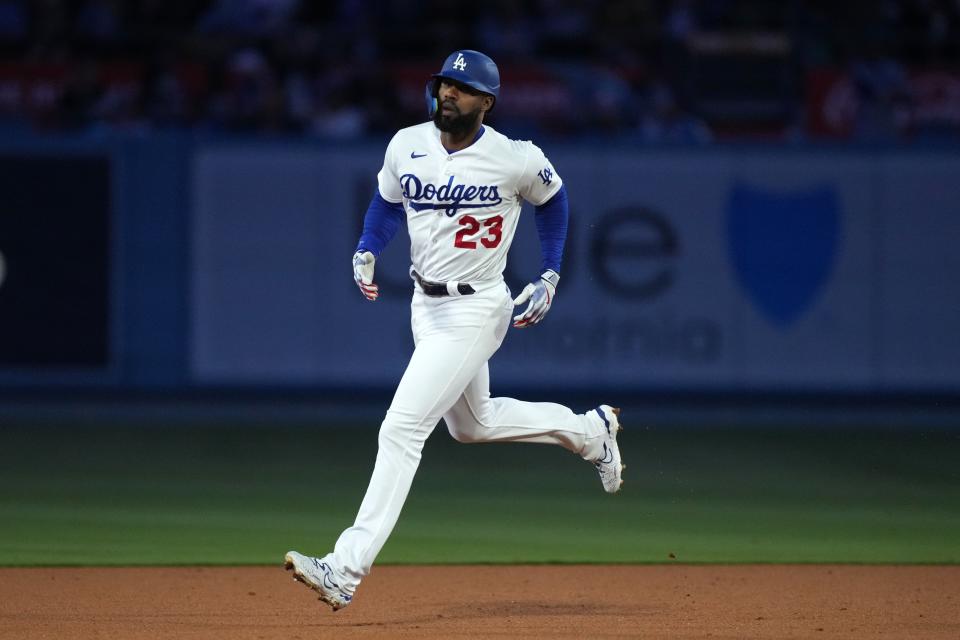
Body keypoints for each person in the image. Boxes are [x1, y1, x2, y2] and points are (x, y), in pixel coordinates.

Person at [284, 49, 625, 611]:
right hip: (425, 304)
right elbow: (389, 202)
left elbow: (554, 199)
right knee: (472, 424)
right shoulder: (405, 144)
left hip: (476, 309)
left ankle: (344, 569)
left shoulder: (513, 158)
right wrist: (369, 246)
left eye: (462, 89)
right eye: (444, 84)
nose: (448, 94)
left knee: (401, 430)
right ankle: (590, 432)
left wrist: (550, 271)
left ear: (485, 103)